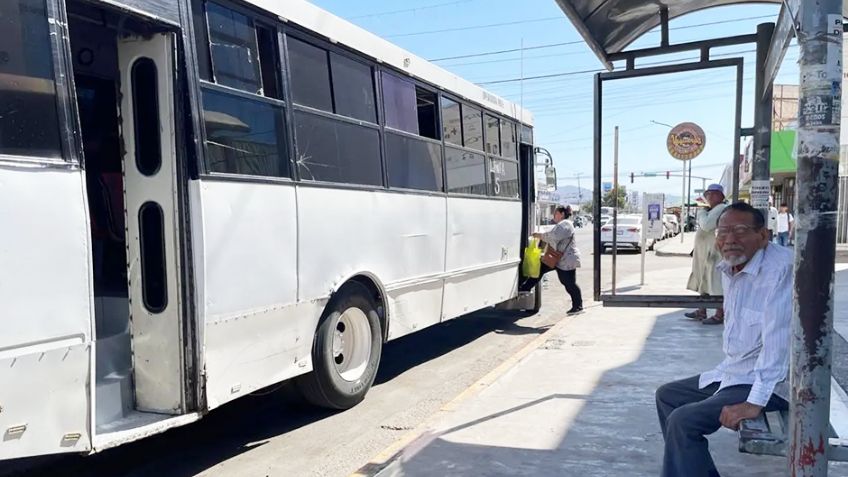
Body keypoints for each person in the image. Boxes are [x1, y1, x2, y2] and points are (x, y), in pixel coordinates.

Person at [655, 202, 792, 477]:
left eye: (740, 231)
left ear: (763, 236)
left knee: (684, 421)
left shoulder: (780, 270)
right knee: (668, 396)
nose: (730, 240)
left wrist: (754, 402)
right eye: (723, 232)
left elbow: (779, 346)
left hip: (772, 382)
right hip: (736, 373)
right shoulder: (730, 267)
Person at [520, 205, 583, 314]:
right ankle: (525, 287)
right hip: (557, 258)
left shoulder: (566, 224)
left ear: (562, 214)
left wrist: (539, 235)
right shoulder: (561, 224)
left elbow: (553, 236)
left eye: (556, 213)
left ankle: (578, 306)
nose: (554, 216)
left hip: (566, 259)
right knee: (541, 268)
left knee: (569, 283)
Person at [684, 184, 726, 324]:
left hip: (713, 253)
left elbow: (707, 225)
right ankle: (701, 310)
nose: (710, 197)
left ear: (721, 196)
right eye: (708, 194)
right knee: (704, 281)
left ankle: (720, 313)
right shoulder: (712, 209)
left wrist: (701, 213)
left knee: (715, 282)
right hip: (705, 252)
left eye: (713, 194)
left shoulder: (720, 208)